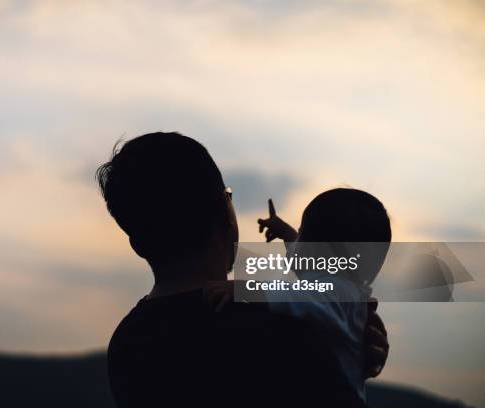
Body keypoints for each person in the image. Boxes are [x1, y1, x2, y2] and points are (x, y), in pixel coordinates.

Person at [96, 132, 389, 407]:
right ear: (225, 211)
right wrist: (346, 356)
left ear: (137, 244)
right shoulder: (282, 330)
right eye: (228, 194)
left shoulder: (128, 343)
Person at [210, 189, 391, 402]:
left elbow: (299, 298)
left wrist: (246, 289)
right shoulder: (342, 289)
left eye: (301, 232)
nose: (296, 242)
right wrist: (286, 233)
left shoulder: (337, 292)